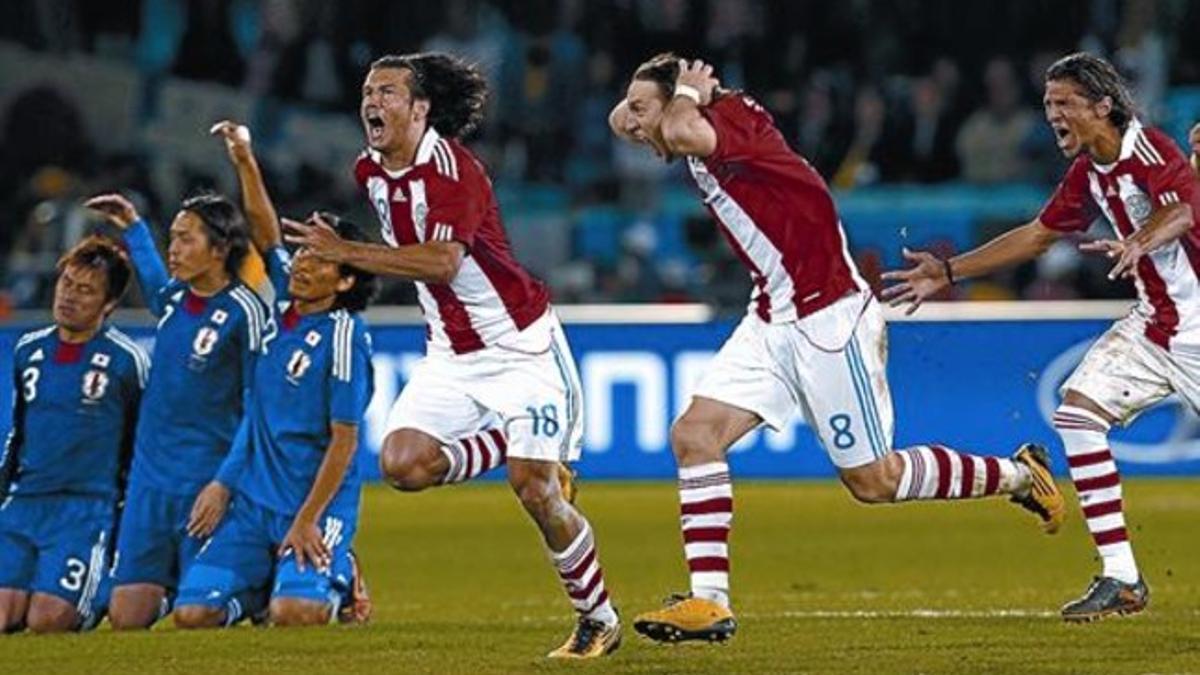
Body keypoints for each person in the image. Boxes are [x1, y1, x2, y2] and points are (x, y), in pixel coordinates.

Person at [607, 52, 1064, 643]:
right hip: (771, 317)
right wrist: (659, 96)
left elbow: (676, 128)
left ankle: (1020, 476)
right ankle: (709, 602)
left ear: (680, 103)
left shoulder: (730, 119)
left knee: (874, 481)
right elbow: (631, 120)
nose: (634, 126)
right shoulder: (692, 119)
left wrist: (686, 98)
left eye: (646, 110)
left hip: (829, 318)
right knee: (694, 436)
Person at [283, 52, 619, 658]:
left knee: (537, 491)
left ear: (420, 108)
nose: (371, 102)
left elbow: (443, 262)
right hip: (450, 354)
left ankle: (597, 618)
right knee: (403, 464)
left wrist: (348, 254)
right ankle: (508, 442)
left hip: (521, 347)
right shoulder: (370, 171)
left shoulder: (453, 171)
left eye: (387, 91)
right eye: (367, 91)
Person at [884, 53, 1200, 622]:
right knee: (1077, 416)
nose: (1051, 114)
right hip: (1156, 328)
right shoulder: (1088, 173)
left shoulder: (1147, 148)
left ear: (1103, 106)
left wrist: (1140, 240)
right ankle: (1122, 577)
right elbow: (1038, 235)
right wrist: (948, 271)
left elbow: (1180, 210)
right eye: (1048, 103)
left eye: (1063, 103)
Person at [171, 197, 377, 628]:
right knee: (192, 614)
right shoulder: (282, 307)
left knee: (296, 614)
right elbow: (267, 234)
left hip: (316, 507)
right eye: (302, 251)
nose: (301, 263)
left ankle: (341, 576)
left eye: (320, 259)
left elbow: (345, 440)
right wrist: (243, 158)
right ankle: (266, 586)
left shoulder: (344, 337)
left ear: (343, 282)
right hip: (253, 506)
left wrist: (307, 520)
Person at [84, 192, 268, 629]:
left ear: (220, 249)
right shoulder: (174, 301)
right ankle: (175, 589)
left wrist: (223, 484)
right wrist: (132, 225)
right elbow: (153, 282)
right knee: (127, 618)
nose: (174, 249)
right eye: (172, 239)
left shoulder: (245, 312)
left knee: (198, 615)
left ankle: (263, 587)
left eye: (186, 240)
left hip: (202, 483)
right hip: (150, 483)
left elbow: (260, 408)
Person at [0, 236, 148, 633]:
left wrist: (125, 512)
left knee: (47, 620)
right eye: (67, 283)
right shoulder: (27, 350)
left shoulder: (125, 360)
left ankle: (101, 592)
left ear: (109, 304)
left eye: (85, 290)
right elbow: (18, 432)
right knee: (3, 617)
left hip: (86, 508)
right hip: (25, 504)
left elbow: (139, 445)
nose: (69, 296)